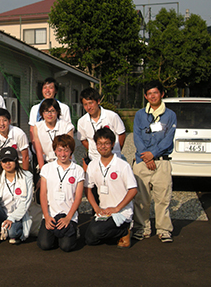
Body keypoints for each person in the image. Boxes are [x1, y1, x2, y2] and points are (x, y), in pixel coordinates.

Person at [132, 80, 177, 243]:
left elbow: (168, 139)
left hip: (162, 162)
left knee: (162, 197)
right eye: (149, 93)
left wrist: (153, 154)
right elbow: (137, 137)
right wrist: (146, 156)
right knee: (141, 199)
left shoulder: (170, 115)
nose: (152, 96)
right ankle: (141, 227)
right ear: (145, 96)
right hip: (142, 161)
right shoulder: (139, 115)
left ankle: (163, 229)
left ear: (162, 94)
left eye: (155, 93)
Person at [84, 127, 137, 249]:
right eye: (100, 144)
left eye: (107, 143)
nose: (103, 147)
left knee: (97, 231)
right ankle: (115, 234)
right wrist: (96, 208)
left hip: (121, 212)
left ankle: (124, 231)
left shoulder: (123, 165)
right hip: (104, 212)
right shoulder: (92, 165)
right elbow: (87, 189)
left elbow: (133, 190)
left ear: (113, 144)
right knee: (90, 239)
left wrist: (117, 208)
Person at [37, 135, 84, 252]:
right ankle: (56, 234)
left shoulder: (78, 170)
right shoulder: (47, 168)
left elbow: (78, 197)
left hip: (68, 215)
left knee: (66, 247)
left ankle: (72, 230)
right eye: (59, 150)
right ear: (55, 151)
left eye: (66, 150)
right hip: (51, 214)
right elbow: (43, 194)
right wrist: (47, 217)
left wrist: (69, 218)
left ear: (71, 151)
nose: (63, 154)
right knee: (44, 245)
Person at [0, 147, 33, 248]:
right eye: (4, 161)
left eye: (10, 160)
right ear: (0, 163)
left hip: (18, 215)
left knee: (12, 233)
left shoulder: (27, 176)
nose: (7, 164)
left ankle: (12, 232)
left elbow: (26, 202)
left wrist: (12, 218)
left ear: (16, 160)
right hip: (3, 213)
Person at [76, 88, 126, 170]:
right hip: (94, 160)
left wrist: (115, 149)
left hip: (114, 159)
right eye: (85, 104)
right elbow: (83, 140)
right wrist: (96, 149)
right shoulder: (82, 121)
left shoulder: (112, 116)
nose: (88, 107)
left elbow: (121, 134)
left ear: (98, 101)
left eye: (91, 103)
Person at [0, 108, 29, 176]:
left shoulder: (19, 133)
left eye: (5, 120)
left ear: (9, 121)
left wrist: (25, 176)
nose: (2, 124)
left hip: (19, 161)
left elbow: (25, 156)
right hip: (3, 162)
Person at [32, 99, 74, 170]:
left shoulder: (67, 126)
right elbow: (38, 151)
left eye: (52, 111)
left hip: (66, 163)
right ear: (42, 113)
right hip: (47, 163)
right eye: (46, 111)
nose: (49, 114)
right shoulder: (37, 127)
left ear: (57, 112)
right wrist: (42, 171)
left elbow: (69, 149)